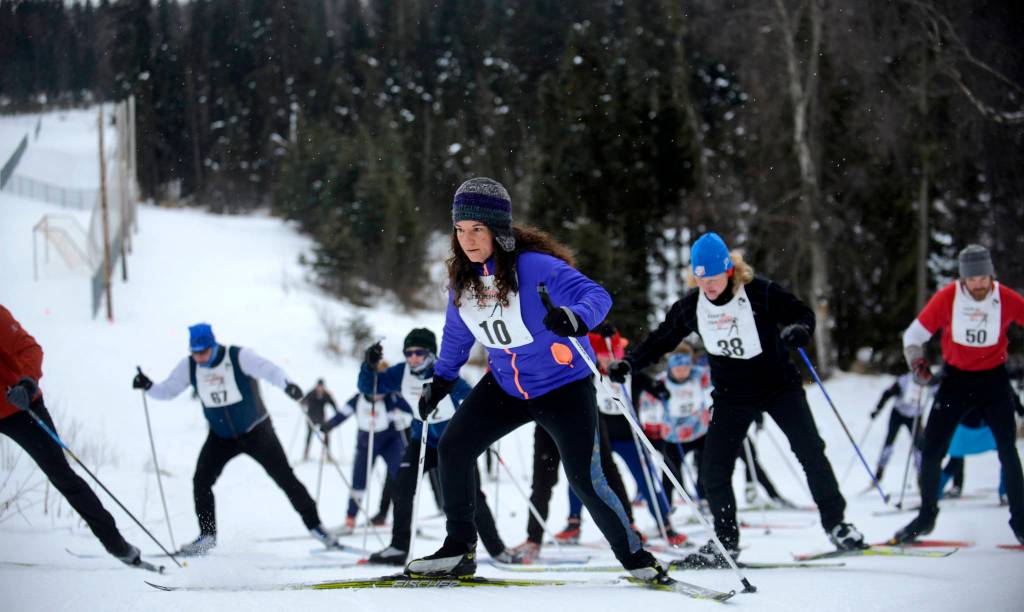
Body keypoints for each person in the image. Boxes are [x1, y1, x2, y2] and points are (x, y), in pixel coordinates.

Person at [406, 177, 664, 581]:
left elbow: (597, 297)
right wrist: (440, 381)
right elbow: (457, 335)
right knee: (453, 448)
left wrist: (575, 317)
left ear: (498, 230)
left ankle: (635, 558)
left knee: (584, 479)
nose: (468, 239)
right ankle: (459, 548)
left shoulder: (535, 267)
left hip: (563, 387)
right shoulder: (462, 280)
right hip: (507, 386)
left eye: (478, 229)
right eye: (460, 229)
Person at [612, 232, 867, 567]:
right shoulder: (692, 306)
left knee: (810, 451)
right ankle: (726, 543)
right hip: (732, 396)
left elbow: (800, 312)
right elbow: (662, 338)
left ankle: (837, 525)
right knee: (714, 469)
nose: (708, 286)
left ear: (729, 270)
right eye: (701, 279)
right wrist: (631, 362)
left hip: (779, 387)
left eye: (714, 279)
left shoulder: (759, 292)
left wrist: (799, 330)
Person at [133, 323, 336, 555]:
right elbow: (168, 391)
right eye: (195, 352)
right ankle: (207, 536)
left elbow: (269, 370)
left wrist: (287, 385)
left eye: (203, 352)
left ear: (213, 345)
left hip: (257, 431)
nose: (199, 357)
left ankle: (316, 526)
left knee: (285, 477)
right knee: (201, 480)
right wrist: (148, 385)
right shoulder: (189, 366)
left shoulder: (238, 356)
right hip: (221, 436)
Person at [894, 244, 1024, 544]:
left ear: (991, 274)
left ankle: (1020, 522)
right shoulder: (948, 298)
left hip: (993, 380)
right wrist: (917, 363)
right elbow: (913, 335)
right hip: (956, 379)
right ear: (962, 279)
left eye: (983, 277)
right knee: (931, 449)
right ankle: (926, 517)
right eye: (972, 279)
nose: (979, 284)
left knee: (1007, 450)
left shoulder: (1005, 298)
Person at [359, 328, 523, 565]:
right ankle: (398, 547)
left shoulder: (445, 374)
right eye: (409, 353)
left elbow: (471, 401)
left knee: (472, 495)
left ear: (430, 353)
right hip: (421, 441)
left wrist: (481, 428)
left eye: (419, 352)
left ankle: (497, 550)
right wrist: (369, 365)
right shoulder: (400, 373)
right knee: (402, 487)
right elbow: (370, 387)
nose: (413, 358)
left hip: (454, 444)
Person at [0, 305, 144, 568]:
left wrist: (27, 383)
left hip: (18, 406)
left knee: (62, 476)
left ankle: (117, 545)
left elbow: (29, 349)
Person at [322, 355, 410, 533]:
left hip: (390, 440)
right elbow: (342, 414)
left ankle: (406, 521)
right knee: (359, 481)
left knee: (401, 477)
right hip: (365, 442)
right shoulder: (358, 398)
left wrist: (404, 418)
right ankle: (350, 521)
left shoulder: (392, 398)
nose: (377, 392)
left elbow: (414, 411)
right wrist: (328, 426)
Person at [869, 373, 931, 485]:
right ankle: (879, 472)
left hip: (915, 416)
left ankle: (921, 476)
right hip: (898, 413)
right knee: (889, 441)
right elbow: (887, 394)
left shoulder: (931, 384)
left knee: (919, 446)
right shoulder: (905, 380)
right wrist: (878, 409)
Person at [301, 379, 338, 461]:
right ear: (316, 386)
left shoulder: (326, 395)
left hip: (321, 418)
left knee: (326, 433)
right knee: (309, 435)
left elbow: (332, 403)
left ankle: (328, 455)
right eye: (319, 386)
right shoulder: (311, 393)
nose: (320, 388)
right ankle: (306, 454)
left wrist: (337, 412)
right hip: (311, 417)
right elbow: (303, 400)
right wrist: (303, 403)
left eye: (322, 387)